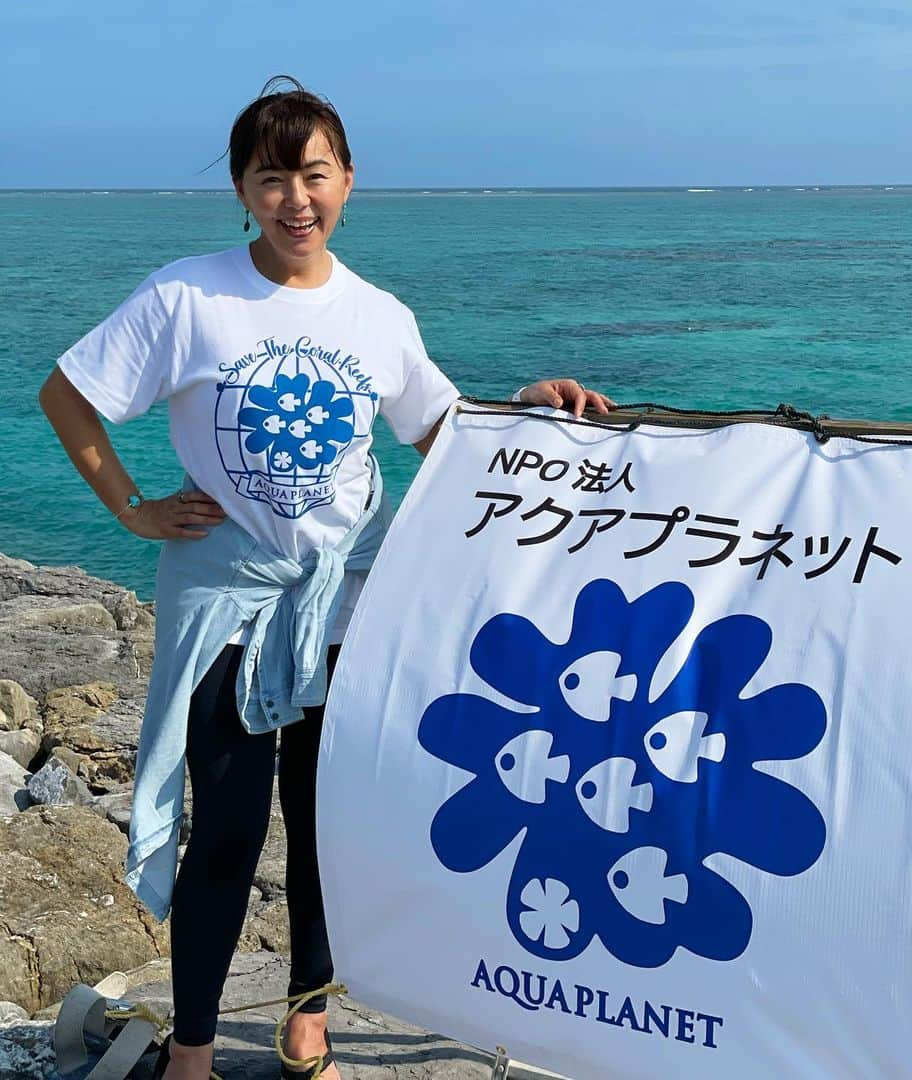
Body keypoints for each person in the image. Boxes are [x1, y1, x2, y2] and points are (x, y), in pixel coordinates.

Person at [39, 76, 614, 1080]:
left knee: (328, 833)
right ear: (242, 189)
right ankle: (196, 1049)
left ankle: (309, 1024)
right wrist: (133, 510)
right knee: (224, 833)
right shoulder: (189, 295)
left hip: (347, 608)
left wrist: (527, 406)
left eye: (314, 174)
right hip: (227, 606)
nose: (295, 198)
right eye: (272, 178)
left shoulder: (379, 316)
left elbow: (444, 437)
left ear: (348, 180)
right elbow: (68, 394)